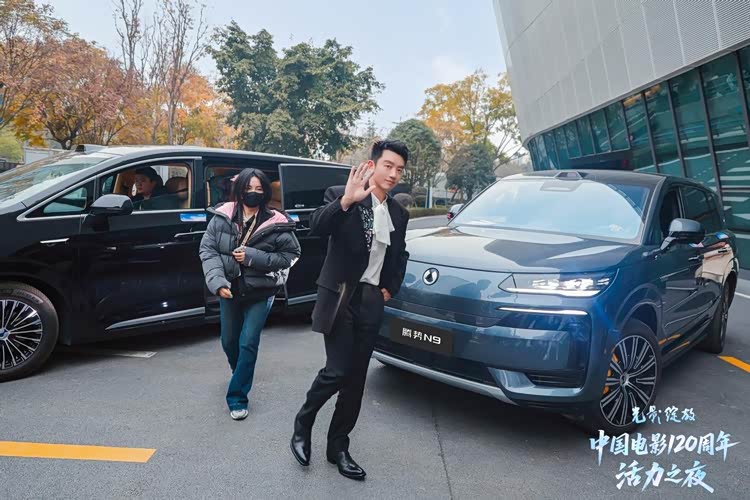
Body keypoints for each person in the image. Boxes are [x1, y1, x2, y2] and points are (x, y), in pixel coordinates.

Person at [290, 140, 410, 480]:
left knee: (356, 380)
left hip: (372, 299)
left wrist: (390, 288)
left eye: (399, 169)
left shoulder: (398, 213)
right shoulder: (343, 194)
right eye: (388, 165)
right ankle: (303, 422)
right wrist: (346, 201)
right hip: (341, 295)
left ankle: (338, 447)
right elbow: (316, 227)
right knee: (338, 371)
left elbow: (400, 254)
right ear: (373, 165)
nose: (393, 174)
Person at [199, 168, 301, 420]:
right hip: (229, 289)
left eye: (258, 189)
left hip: (261, 291)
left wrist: (253, 257)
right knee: (229, 341)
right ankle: (240, 373)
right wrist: (217, 282)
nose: (253, 193)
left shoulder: (276, 222)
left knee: (248, 342)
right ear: (239, 190)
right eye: (248, 189)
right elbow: (208, 250)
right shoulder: (222, 217)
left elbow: (291, 255)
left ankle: (237, 397)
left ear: (265, 192)